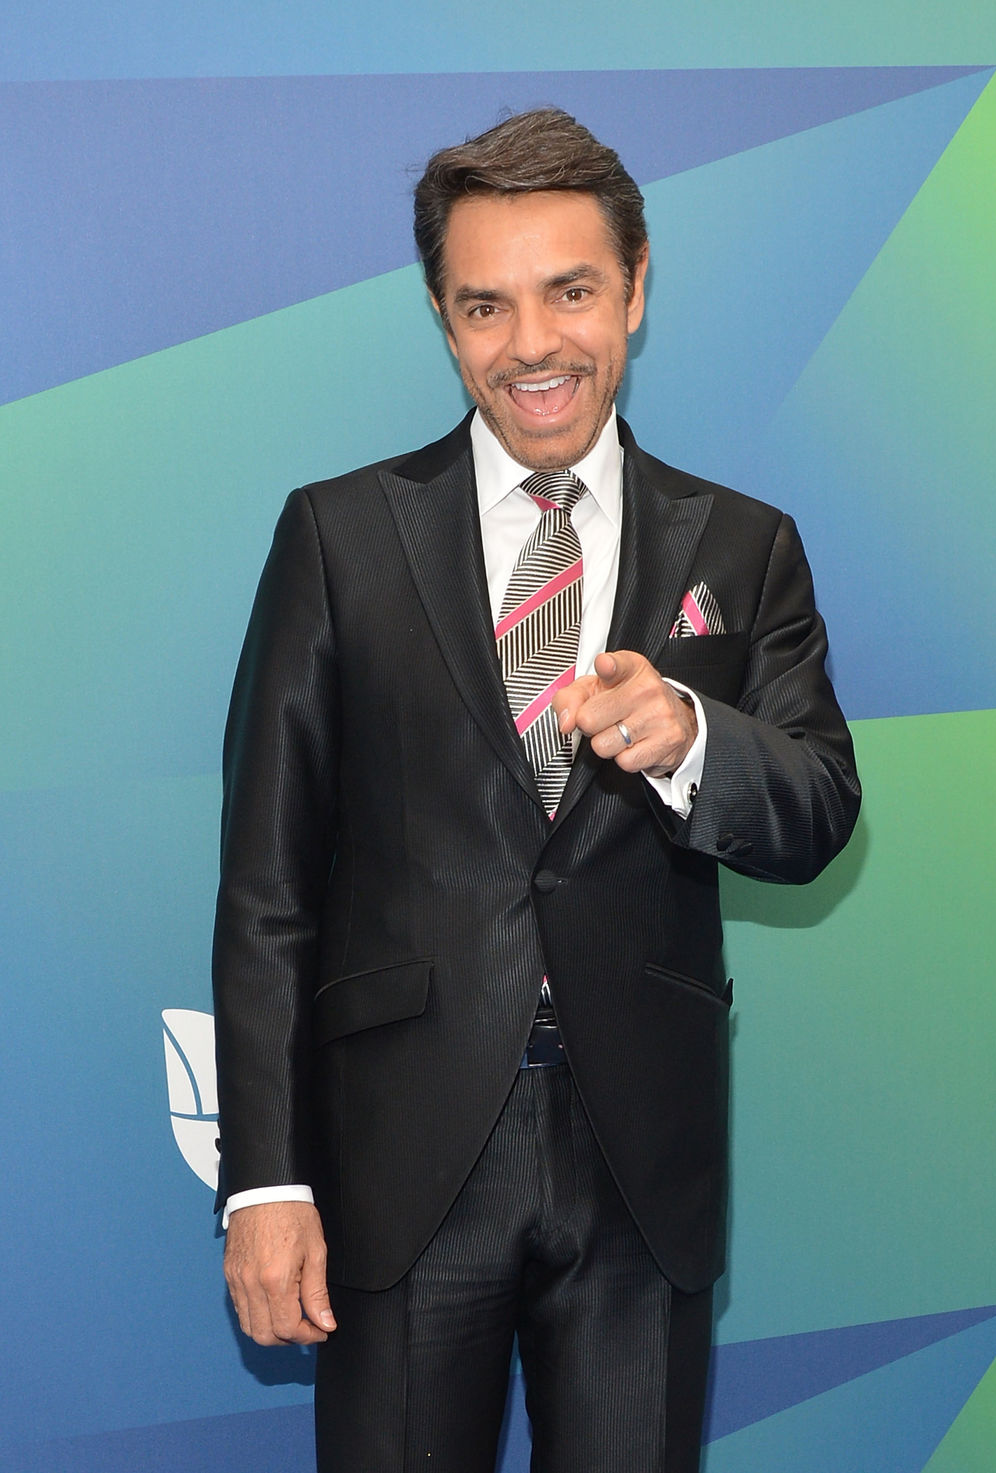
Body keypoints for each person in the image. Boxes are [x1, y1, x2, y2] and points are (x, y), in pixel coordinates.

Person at [212, 107, 860, 1473]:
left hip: (643, 1163)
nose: (532, 344)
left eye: (570, 291)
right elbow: (268, 888)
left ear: (634, 289)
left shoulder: (743, 547)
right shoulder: (337, 536)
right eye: (485, 305)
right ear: (444, 321)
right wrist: (264, 1178)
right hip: (400, 1160)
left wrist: (689, 736)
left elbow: (816, 810)